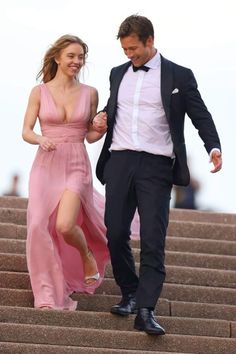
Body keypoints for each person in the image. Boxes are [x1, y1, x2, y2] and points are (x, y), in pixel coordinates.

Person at [93, 15, 222, 334]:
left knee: (152, 238)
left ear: (150, 41)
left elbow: (200, 114)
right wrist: (101, 116)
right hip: (120, 160)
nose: (129, 55)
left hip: (157, 166)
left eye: (133, 48)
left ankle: (146, 309)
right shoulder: (117, 73)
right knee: (116, 231)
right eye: (124, 49)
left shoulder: (179, 75)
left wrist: (213, 146)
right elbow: (115, 108)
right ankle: (130, 292)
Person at [22, 34, 109, 310]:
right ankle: (47, 293)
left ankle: (86, 256)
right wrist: (40, 139)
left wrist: (100, 127)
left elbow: (90, 136)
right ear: (58, 57)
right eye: (71, 56)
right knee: (37, 225)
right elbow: (26, 131)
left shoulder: (90, 93)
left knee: (63, 225)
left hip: (76, 164)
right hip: (46, 164)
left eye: (81, 57)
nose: (76, 62)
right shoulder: (39, 92)